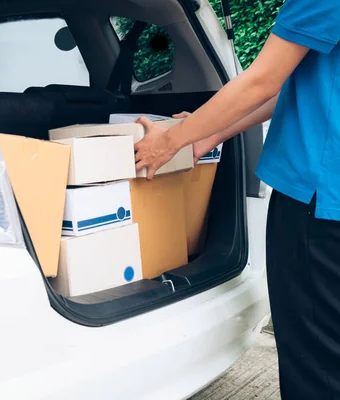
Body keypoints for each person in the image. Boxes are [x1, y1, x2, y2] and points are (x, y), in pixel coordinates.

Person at [134, 0, 340, 398]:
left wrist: (171, 141)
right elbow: (291, 84)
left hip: (318, 207)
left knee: (317, 365)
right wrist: (206, 136)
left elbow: (262, 81)